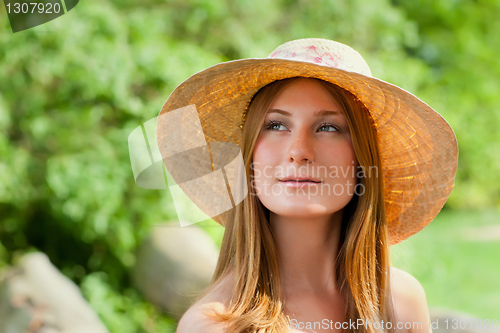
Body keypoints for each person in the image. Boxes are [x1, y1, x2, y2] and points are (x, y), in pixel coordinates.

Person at [158, 38, 458, 332]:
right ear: (249, 155)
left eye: (328, 127)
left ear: (362, 160)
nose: (298, 150)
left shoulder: (400, 304)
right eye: (276, 125)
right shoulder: (216, 325)